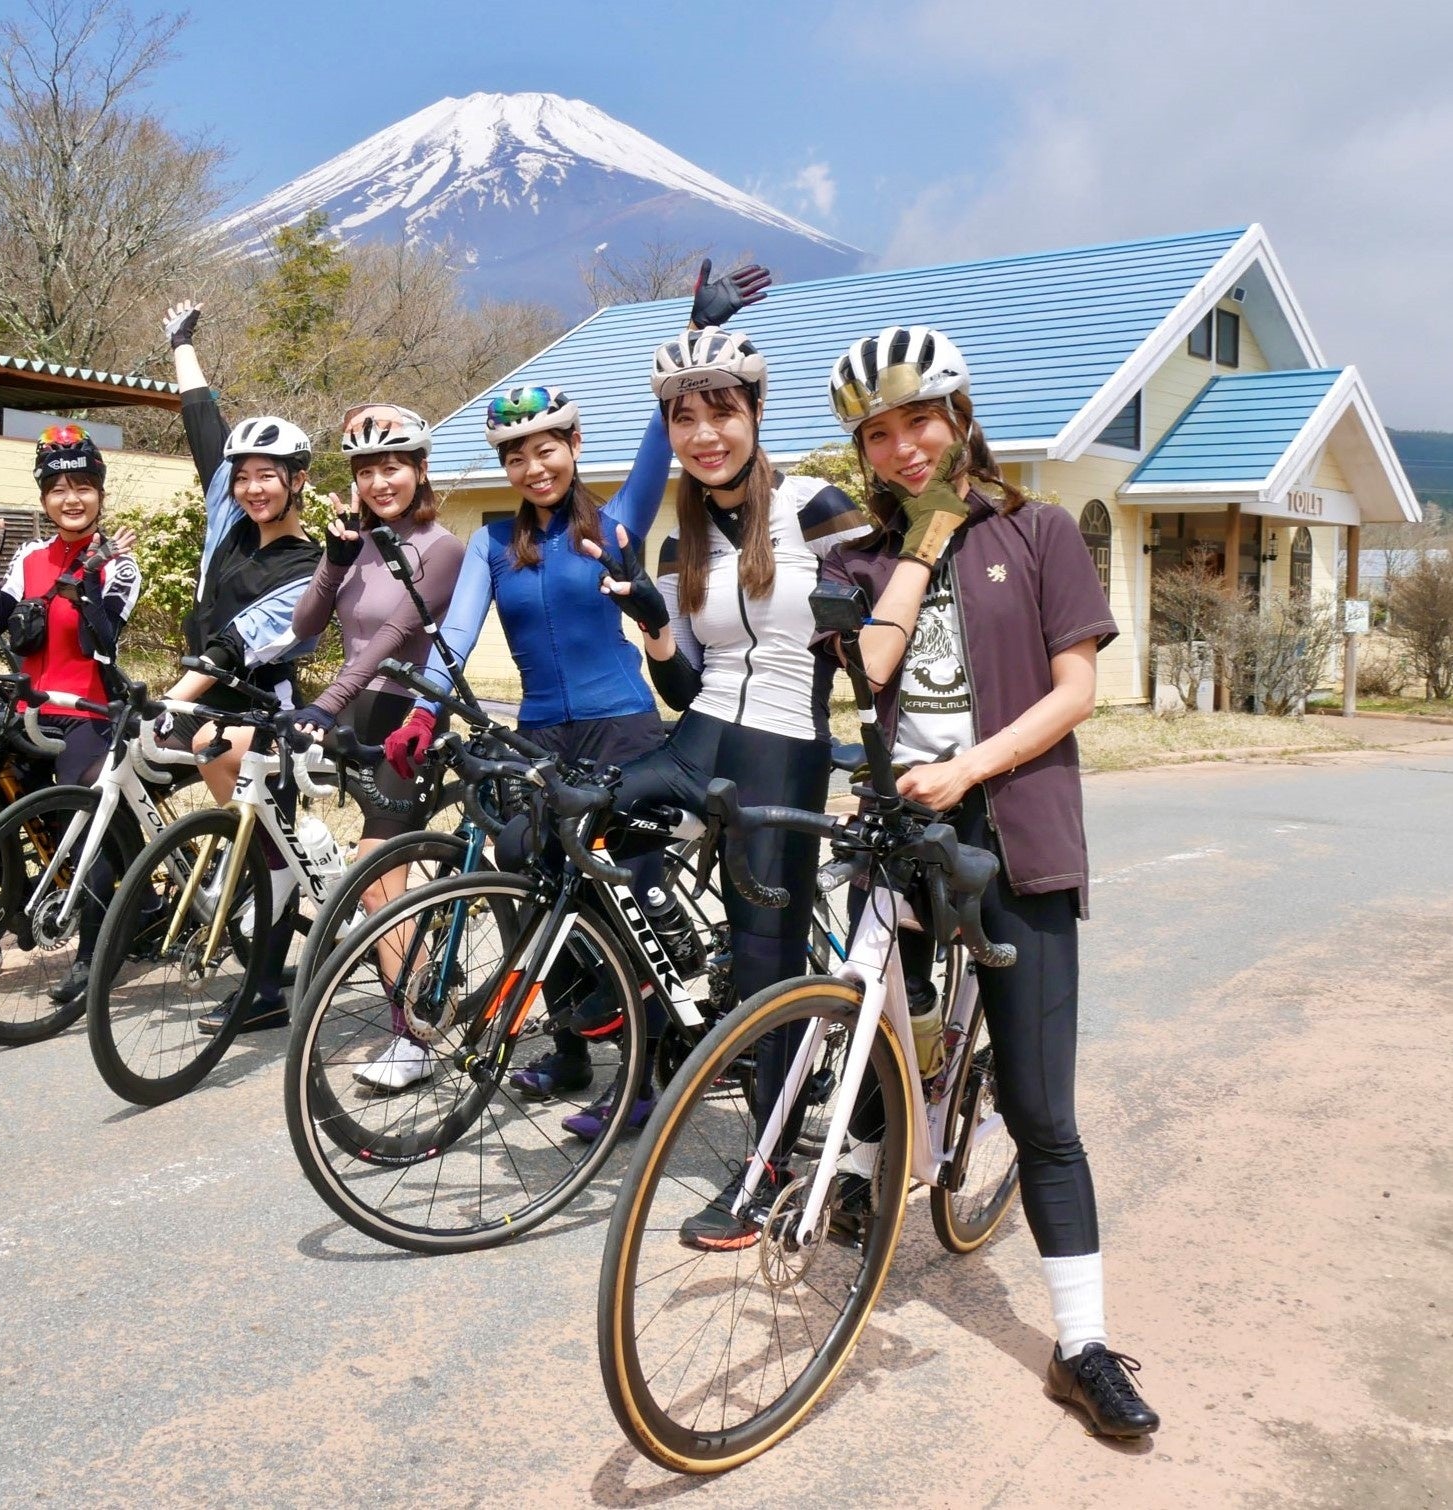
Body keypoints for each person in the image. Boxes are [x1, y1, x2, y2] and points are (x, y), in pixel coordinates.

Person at [818, 324, 1160, 1438]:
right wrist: (922, 541)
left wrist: (968, 767)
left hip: (1015, 827)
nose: (903, 447)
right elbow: (871, 666)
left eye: (920, 421)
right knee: (872, 1029)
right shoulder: (859, 559)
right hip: (899, 826)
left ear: (960, 418)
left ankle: (1082, 1346)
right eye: (879, 434)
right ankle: (867, 1164)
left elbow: (1075, 691)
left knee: (1039, 1107)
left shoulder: (1041, 529)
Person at [384, 260, 773, 1102]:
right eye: (516, 456)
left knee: (633, 894)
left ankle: (652, 1068)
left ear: (572, 447)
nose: (534, 467)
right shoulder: (492, 544)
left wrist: (697, 330)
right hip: (540, 736)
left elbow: (661, 431)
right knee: (535, 887)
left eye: (547, 449)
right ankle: (569, 1050)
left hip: (622, 727)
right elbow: (456, 633)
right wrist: (421, 713)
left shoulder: (617, 520)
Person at [571, 326, 871, 1150]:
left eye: (721, 412)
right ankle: (640, 994)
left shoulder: (813, 506)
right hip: (695, 742)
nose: (703, 434)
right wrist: (652, 625)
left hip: (782, 748)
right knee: (549, 825)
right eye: (683, 419)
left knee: (764, 963)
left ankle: (769, 1161)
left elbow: (877, 642)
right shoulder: (682, 538)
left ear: (756, 412)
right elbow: (681, 686)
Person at [288, 403, 465, 1090]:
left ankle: (412, 1037)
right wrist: (332, 563)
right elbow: (307, 624)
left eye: (392, 467)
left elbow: (391, 639)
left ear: (419, 469)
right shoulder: (355, 541)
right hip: (354, 712)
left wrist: (325, 704)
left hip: (405, 717)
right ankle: (413, 979)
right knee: (372, 879)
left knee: (378, 876)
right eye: (366, 471)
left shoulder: (440, 549)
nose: (379, 482)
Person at [160, 300, 324, 1033]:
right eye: (245, 476)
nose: (253, 488)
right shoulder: (228, 519)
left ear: (297, 480)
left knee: (263, 843)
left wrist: (174, 698)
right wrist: (181, 344)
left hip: (261, 707)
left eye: (269, 476)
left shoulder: (309, 564)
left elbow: (239, 644)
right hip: (203, 697)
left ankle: (263, 989)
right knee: (161, 776)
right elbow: (203, 422)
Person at [0, 424, 143, 1006]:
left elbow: (101, 642)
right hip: (26, 712)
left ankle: (94, 956)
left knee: (84, 835)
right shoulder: (29, 557)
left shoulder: (120, 564)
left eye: (83, 486)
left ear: (100, 494)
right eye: (58, 488)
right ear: (43, 498)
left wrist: (87, 579)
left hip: (86, 714)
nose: (72, 498)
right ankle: (29, 906)